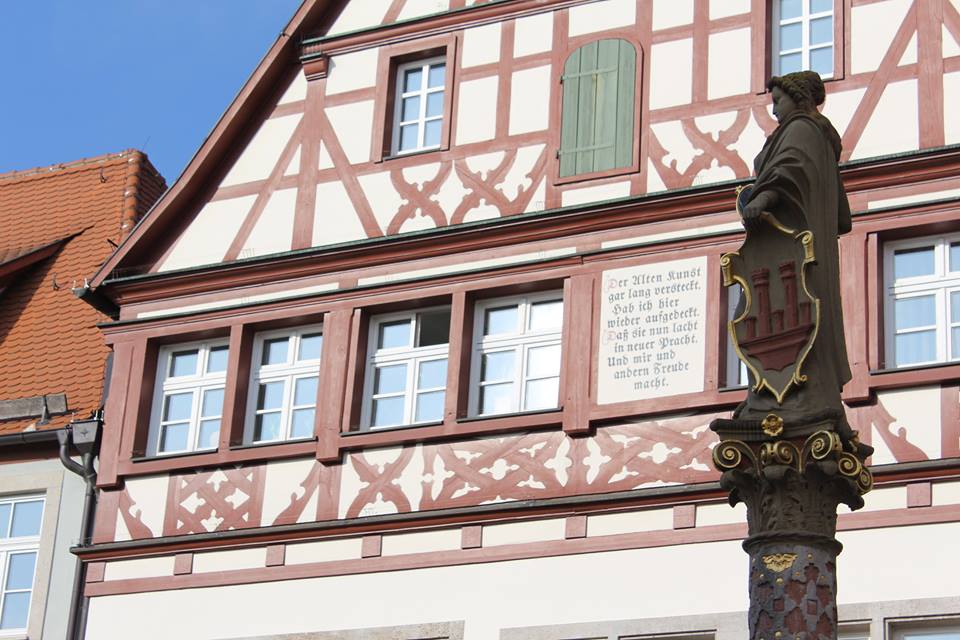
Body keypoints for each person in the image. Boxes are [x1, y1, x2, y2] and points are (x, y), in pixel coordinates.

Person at [733, 70, 853, 427]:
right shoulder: (811, 133)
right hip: (790, 248)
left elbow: (791, 169)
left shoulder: (802, 129)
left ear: (797, 99)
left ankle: (787, 393)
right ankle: (768, 390)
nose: (774, 112)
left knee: (784, 310)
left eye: (778, 102)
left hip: (791, 248)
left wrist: (764, 197)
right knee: (775, 311)